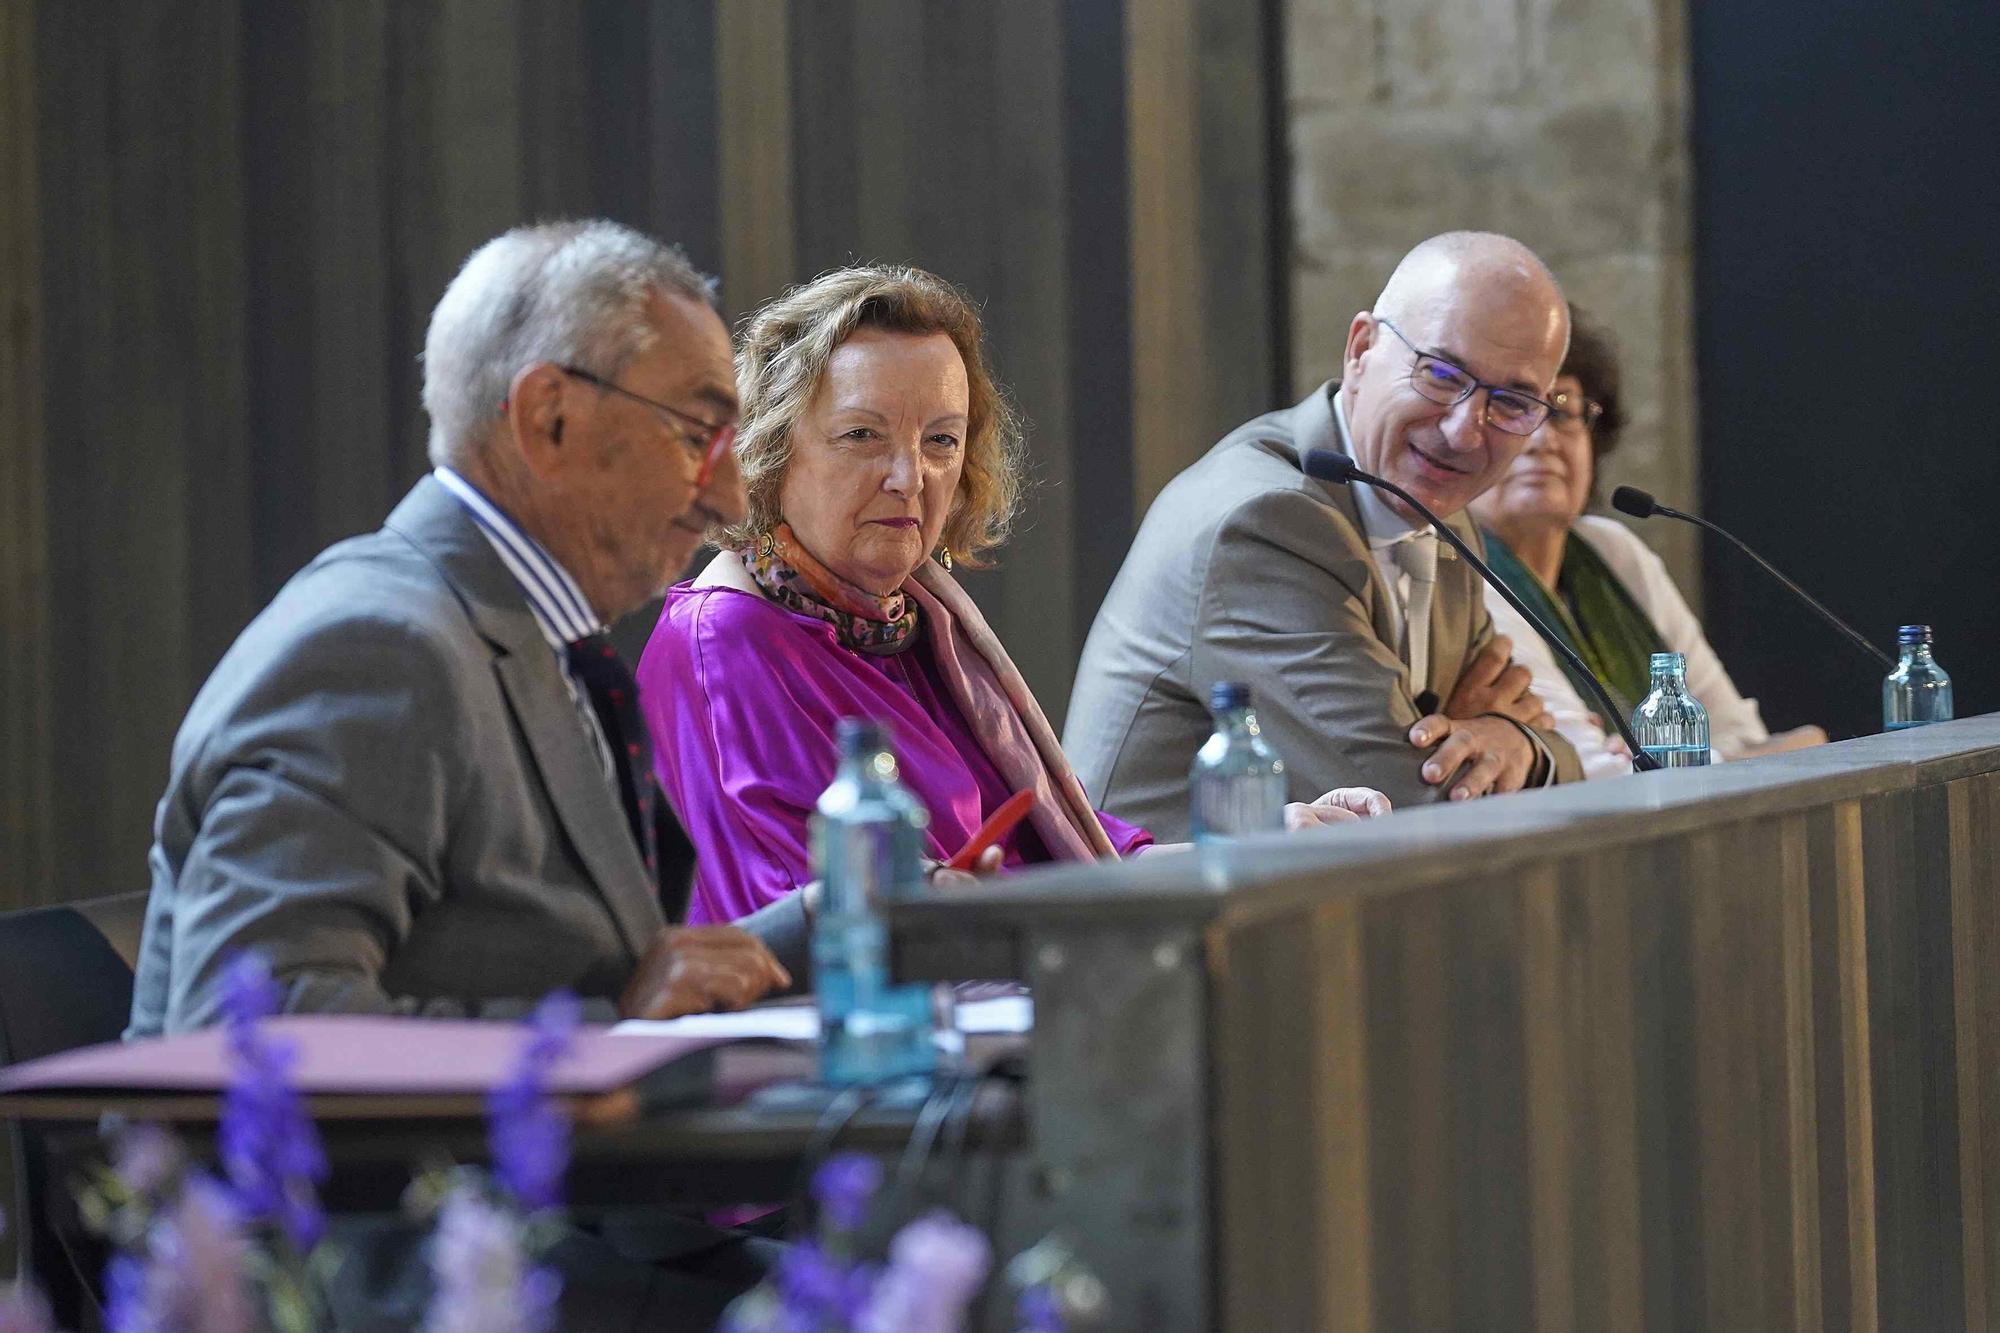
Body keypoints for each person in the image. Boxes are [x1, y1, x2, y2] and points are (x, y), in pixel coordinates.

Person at [128, 220, 798, 1041]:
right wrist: (601, 1033)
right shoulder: (379, 649)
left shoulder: (527, 637)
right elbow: (244, 1032)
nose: (729, 498)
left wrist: (849, 921)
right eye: (699, 435)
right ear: (549, 419)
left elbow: (631, 977)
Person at [636, 265, 1389, 924]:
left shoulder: (914, 620)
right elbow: (816, 926)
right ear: (769, 451)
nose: (910, 476)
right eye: (862, 436)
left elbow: (1077, 863)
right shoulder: (725, 641)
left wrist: (1259, 843)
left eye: (941, 440)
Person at [1065, 231, 1583, 834]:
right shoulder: (1266, 520)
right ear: (1361, 348)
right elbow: (1410, 806)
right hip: (1157, 914)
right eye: (1441, 374)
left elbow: (1535, 737)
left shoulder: (1440, 507)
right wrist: (1506, 742)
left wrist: (1518, 742)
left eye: (1514, 402)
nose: (1465, 432)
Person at [1469, 307, 1825, 775]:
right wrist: (1763, 755)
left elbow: (1735, 727)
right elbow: (1591, 771)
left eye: (1563, 408)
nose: (1543, 440)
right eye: (1516, 408)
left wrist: (1667, 760)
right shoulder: (1463, 568)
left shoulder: (1614, 551)